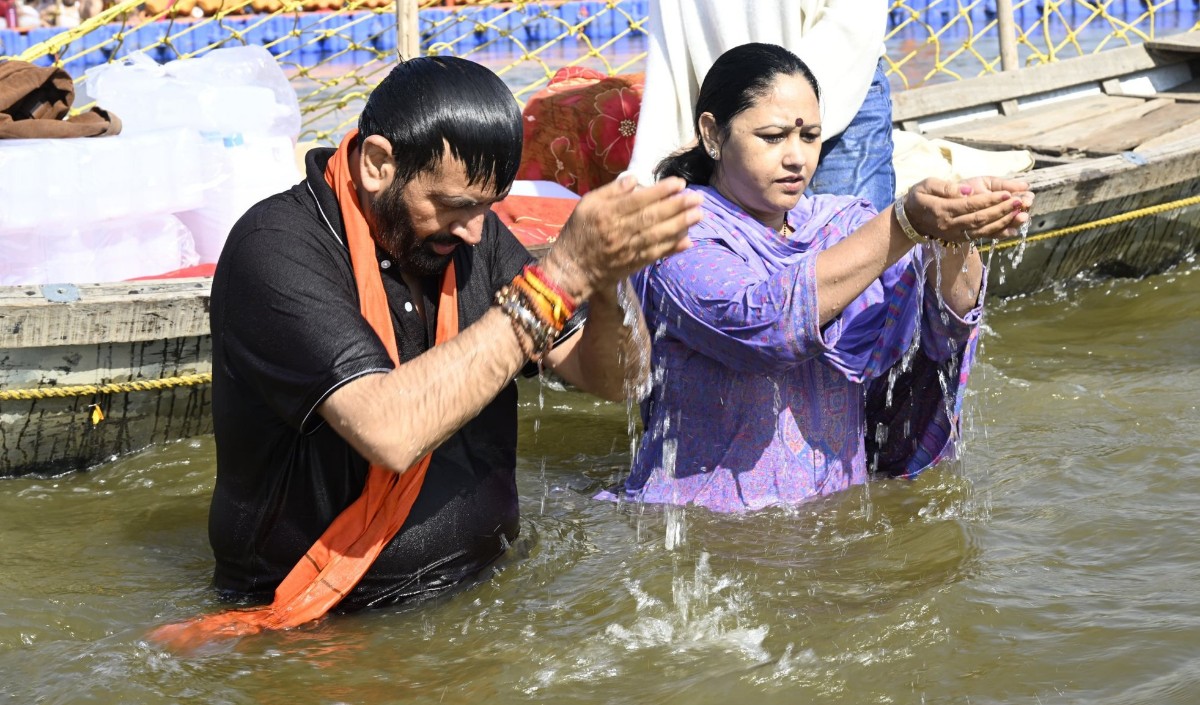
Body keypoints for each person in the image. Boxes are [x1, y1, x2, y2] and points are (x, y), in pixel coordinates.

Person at [154, 56, 701, 644]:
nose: (473, 230)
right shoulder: (277, 248)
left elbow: (615, 381)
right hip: (320, 631)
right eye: (454, 205)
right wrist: (562, 275)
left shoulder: (474, 231)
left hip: (481, 598)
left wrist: (610, 282)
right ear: (377, 165)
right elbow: (389, 430)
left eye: (486, 206)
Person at [603, 43, 1033, 512]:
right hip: (707, 529)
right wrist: (905, 223)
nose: (797, 158)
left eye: (809, 137)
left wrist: (956, 232)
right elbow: (766, 326)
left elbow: (944, 326)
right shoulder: (672, 235)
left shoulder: (841, 223)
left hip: (835, 512)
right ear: (712, 134)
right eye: (772, 136)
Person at [627, 0, 897, 212]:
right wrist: (646, 171)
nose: (796, 159)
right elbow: (669, 48)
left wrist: (774, 109)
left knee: (858, 260)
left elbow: (853, 19)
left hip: (843, 84)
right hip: (735, 118)